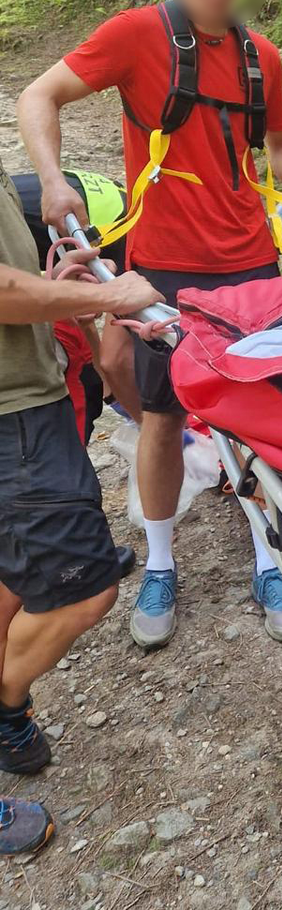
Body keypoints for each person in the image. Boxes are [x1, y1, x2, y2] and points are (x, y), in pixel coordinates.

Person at [17, 0, 282, 652]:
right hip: (161, 270)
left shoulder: (262, 57)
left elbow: (280, 145)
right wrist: (51, 178)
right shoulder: (136, 37)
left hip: (254, 261)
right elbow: (39, 94)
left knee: (256, 421)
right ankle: (160, 563)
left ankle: (269, 559)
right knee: (161, 419)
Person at [0, 157, 164, 852]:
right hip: (12, 415)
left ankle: (7, 721)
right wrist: (98, 300)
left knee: (15, 577)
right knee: (84, 590)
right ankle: (4, 704)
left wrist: (46, 290)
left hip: (22, 398)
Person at [13, 170, 142, 430]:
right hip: (89, 199)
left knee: (108, 347)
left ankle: (136, 411)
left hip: (101, 222)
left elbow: (111, 360)